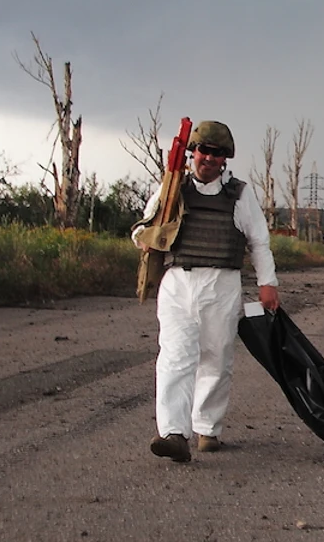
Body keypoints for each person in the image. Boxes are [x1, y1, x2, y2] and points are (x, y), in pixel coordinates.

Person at [132, 120, 281, 463]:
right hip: (178, 283)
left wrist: (267, 283)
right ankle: (173, 433)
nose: (209, 159)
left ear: (225, 158)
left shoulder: (240, 194)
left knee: (216, 357)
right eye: (203, 151)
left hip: (222, 284)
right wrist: (148, 236)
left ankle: (207, 428)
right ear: (192, 152)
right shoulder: (171, 189)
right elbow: (143, 228)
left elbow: (259, 241)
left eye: (216, 153)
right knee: (174, 357)